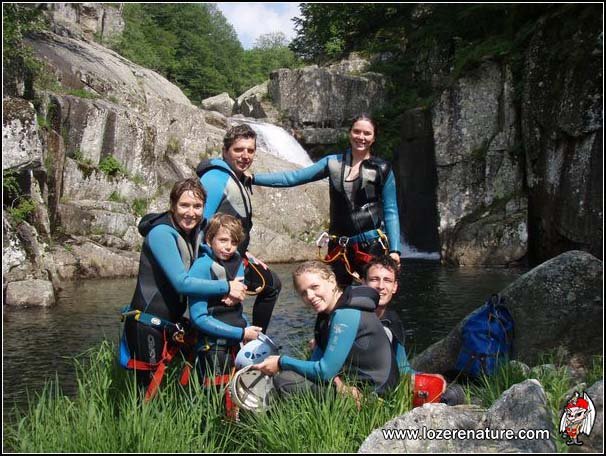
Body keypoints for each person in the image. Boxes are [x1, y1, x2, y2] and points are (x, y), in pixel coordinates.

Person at [122, 178, 247, 398]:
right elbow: (182, 283)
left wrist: (247, 259)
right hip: (147, 324)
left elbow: (224, 238)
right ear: (173, 206)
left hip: (171, 324)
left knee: (177, 388)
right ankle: (136, 432)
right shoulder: (161, 233)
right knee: (145, 396)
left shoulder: (195, 230)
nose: (191, 212)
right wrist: (226, 286)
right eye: (184, 205)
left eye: (197, 206)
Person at [253, 113, 402, 287]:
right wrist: (252, 178)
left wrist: (395, 250)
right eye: (357, 131)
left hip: (371, 246)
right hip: (338, 248)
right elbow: (292, 178)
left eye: (367, 133)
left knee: (372, 299)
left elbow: (391, 211)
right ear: (350, 133)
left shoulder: (383, 169)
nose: (361, 137)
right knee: (334, 300)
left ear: (374, 137)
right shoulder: (332, 163)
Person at [253, 261, 400, 399]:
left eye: (314, 287)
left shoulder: (346, 313)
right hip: (353, 383)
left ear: (331, 281)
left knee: (284, 381)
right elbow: (316, 359)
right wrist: (336, 380)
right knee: (291, 375)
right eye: (303, 293)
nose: (310, 296)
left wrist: (281, 361)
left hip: (374, 394)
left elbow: (324, 371)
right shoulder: (326, 315)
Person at [196, 124, 281, 333]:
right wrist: (210, 264)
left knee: (271, 284)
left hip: (234, 255)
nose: (245, 156)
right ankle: (248, 341)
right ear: (225, 151)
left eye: (250, 150)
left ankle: (251, 340)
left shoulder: (235, 177)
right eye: (238, 150)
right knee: (270, 287)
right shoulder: (216, 178)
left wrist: (245, 253)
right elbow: (197, 225)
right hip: (218, 261)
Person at [188, 213, 262, 384]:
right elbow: (198, 318)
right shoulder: (202, 267)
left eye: (234, 242)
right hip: (214, 347)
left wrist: (245, 329)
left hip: (237, 342)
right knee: (218, 395)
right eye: (223, 240)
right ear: (209, 239)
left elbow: (236, 309)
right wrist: (241, 332)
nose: (229, 247)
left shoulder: (236, 262)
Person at [362, 255, 414, 375]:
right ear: (363, 283)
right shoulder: (349, 316)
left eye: (387, 280)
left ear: (395, 287)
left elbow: (403, 367)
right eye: (374, 279)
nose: (381, 286)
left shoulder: (392, 320)